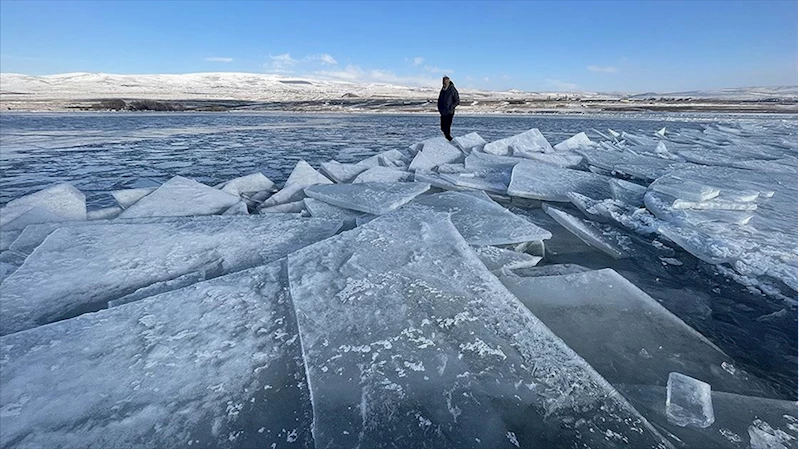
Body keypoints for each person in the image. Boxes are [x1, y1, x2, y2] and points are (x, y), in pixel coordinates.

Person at [437, 76, 460, 141]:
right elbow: (439, 100)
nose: (444, 83)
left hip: (449, 112)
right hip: (443, 112)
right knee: (442, 128)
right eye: (443, 82)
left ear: (448, 81)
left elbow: (457, 101)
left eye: (445, 82)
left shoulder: (452, 89)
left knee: (447, 128)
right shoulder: (442, 90)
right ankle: (448, 139)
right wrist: (439, 108)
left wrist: (451, 107)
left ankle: (450, 140)